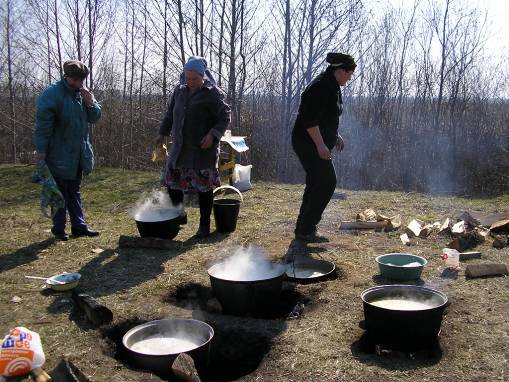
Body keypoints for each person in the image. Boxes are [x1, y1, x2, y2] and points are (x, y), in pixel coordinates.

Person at [156, 56, 231, 238]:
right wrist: (162, 133)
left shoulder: (213, 93)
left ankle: (204, 225)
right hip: (180, 147)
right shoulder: (179, 91)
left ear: (202, 76)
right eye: (187, 78)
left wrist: (213, 135)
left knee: (203, 188)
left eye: (194, 79)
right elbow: (170, 114)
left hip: (202, 149)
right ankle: (179, 215)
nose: (190, 82)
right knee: (172, 182)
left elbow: (225, 116)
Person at [33, 60, 102, 241]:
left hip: (78, 153)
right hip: (58, 153)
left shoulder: (82, 95)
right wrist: (41, 150)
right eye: (76, 80)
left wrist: (90, 103)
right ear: (68, 77)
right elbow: (43, 127)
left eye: (82, 80)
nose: (80, 84)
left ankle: (79, 227)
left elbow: (95, 117)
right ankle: (58, 228)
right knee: (59, 192)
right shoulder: (52, 95)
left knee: (74, 190)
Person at [292, 52, 356, 242]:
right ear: (341, 71)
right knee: (327, 182)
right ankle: (306, 229)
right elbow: (309, 118)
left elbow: (326, 115)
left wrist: (334, 135)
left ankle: (303, 229)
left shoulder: (333, 85)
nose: (350, 77)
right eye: (350, 73)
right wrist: (320, 145)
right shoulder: (320, 86)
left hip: (314, 141)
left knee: (316, 181)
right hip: (307, 142)